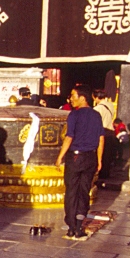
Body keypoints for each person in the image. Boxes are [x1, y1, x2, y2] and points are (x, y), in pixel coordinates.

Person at [55, 84, 104, 240]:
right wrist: (99, 159)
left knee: (71, 191)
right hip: (90, 157)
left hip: (75, 157)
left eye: (73, 96)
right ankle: (79, 226)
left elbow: (69, 137)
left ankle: (70, 227)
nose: (71, 99)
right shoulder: (96, 116)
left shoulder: (74, 115)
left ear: (82, 98)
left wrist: (60, 157)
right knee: (84, 191)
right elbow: (101, 139)